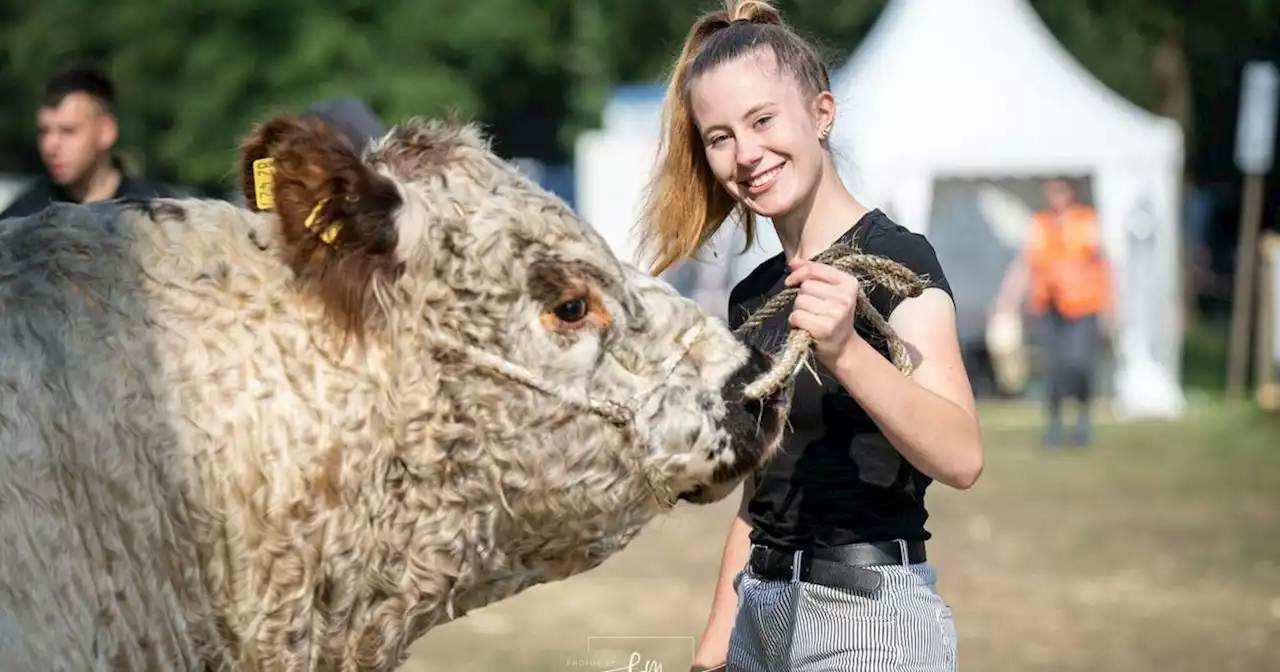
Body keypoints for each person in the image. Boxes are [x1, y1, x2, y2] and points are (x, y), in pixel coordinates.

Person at [635, 2, 984, 670]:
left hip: (868, 619)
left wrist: (849, 351)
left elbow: (963, 456)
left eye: (763, 120)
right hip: (759, 612)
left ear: (821, 113)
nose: (746, 154)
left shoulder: (899, 263)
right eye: (719, 137)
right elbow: (761, 491)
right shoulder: (753, 295)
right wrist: (715, 646)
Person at [993, 178, 1114, 449]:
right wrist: (1007, 300)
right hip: (1050, 308)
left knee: (1079, 363)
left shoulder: (1087, 221)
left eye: (1059, 192)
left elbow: (1106, 264)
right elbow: (1025, 264)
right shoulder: (1041, 224)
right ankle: (1055, 425)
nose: (1053, 198)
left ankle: (1083, 420)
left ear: (1070, 193)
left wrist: (1111, 306)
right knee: (1054, 369)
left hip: (1083, 306)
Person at [1, 63, 176, 220]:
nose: (50, 146)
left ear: (107, 131)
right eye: (44, 131)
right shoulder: (21, 221)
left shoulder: (159, 215)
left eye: (68, 131)